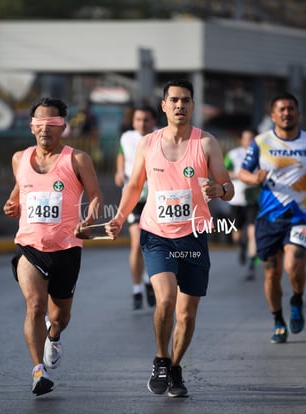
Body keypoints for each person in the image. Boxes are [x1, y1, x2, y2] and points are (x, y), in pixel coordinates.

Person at [105, 79, 234, 398]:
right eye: (174, 100)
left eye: (186, 100)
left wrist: (218, 190)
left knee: (187, 313)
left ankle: (176, 367)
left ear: (192, 106)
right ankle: (161, 359)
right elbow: (135, 185)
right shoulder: (147, 143)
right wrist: (119, 217)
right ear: (164, 106)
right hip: (157, 233)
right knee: (165, 299)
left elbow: (228, 187)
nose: (180, 105)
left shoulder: (206, 143)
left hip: (194, 236)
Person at [3, 97, 103, 396]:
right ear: (31, 127)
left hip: (67, 247)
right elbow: (19, 192)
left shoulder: (77, 159)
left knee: (59, 317)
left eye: (52, 124)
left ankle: (54, 334)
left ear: (63, 127)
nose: (45, 129)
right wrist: (11, 204)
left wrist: (89, 218)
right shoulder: (20, 158)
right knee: (34, 305)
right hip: (30, 246)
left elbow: (96, 196)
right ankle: (38, 371)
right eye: (39, 124)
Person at [239, 92, 305, 344]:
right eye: (282, 109)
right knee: (271, 273)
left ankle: (297, 300)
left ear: (298, 113)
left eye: (291, 108)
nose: (287, 113)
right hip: (268, 217)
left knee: (294, 263)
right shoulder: (261, 142)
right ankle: (278, 320)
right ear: (273, 115)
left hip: (300, 217)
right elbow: (243, 172)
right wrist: (254, 178)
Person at [114, 105, 157, 310]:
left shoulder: (160, 137)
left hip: (156, 197)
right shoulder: (126, 137)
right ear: (133, 121)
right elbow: (122, 155)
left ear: (153, 122)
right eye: (138, 119)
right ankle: (137, 287)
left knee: (153, 242)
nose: (142, 123)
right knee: (136, 242)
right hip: (133, 197)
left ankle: (149, 278)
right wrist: (119, 171)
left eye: (146, 120)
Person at [224, 129, 260, 280]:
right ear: (242, 140)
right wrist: (239, 175)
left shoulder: (261, 154)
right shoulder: (233, 154)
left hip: (252, 199)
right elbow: (224, 171)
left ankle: (252, 263)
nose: (249, 141)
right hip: (236, 199)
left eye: (252, 138)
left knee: (253, 232)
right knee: (236, 236)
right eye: (246, 138)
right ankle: (242, 247)